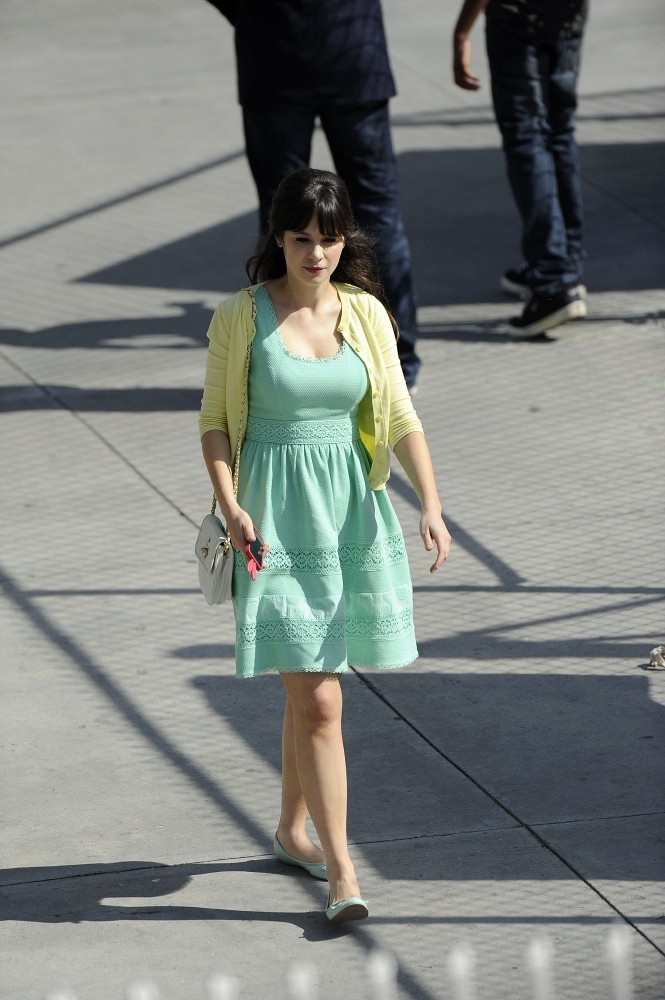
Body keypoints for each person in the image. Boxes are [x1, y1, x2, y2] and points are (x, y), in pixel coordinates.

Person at [199, 168, 451, 923]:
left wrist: (431, 504)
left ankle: (290, 830)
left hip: (349, 519)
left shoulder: (367, 314)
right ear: (278, 238)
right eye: (302, 238)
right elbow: (215, 422)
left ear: (346, 242)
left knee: (307, 692)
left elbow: (398, 415)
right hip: (271, 524)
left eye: (330, 240)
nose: (316, 254)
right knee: (319, 698)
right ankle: (343, 871)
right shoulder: (240, 317)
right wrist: (230, 505)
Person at [203, 0, 421, 389]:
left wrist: (253, 13)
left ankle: (276, 356)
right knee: (377, 210)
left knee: (283, 214)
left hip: (275, 49)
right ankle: (396, 359)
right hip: (353, 51)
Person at [452, 0, 589, 338]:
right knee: (559, 132)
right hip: (568, 14)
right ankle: (565, 266)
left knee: (528, 136)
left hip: (518, 15)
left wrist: (462, 32)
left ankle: (553, 278)